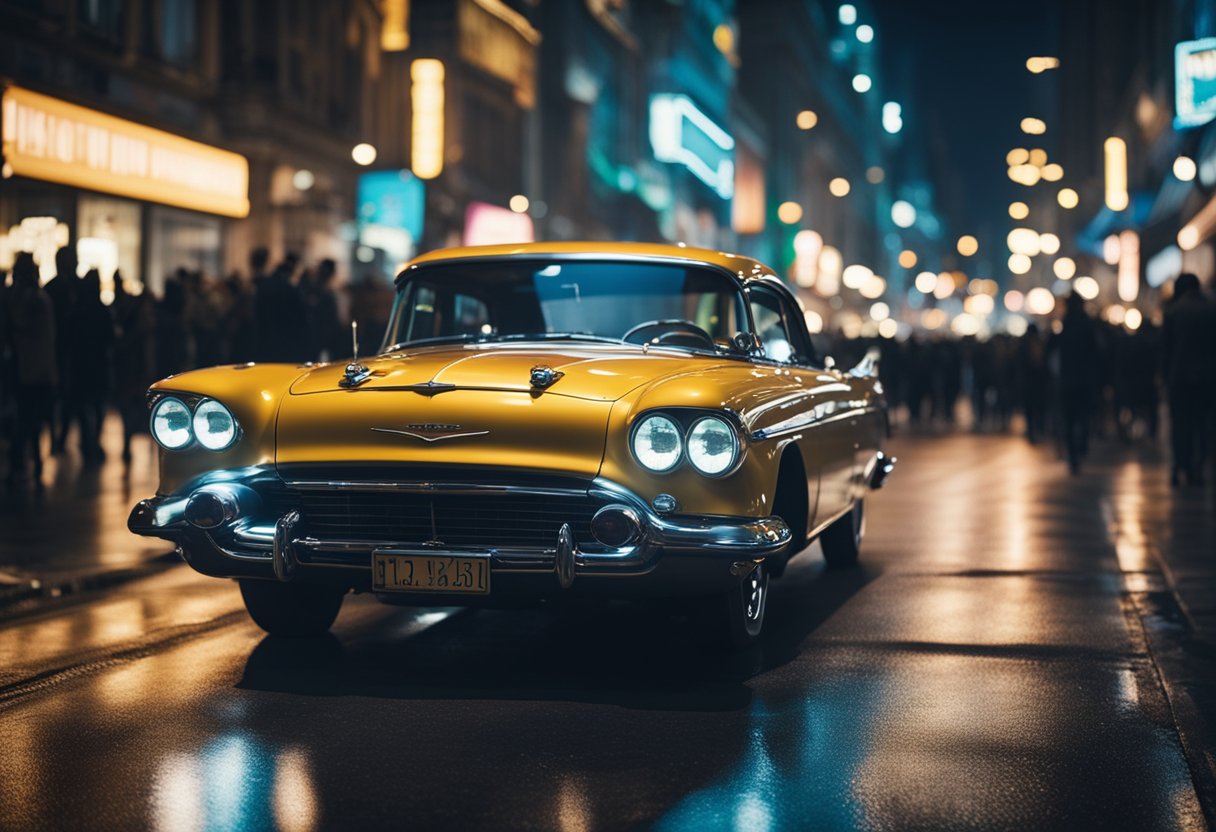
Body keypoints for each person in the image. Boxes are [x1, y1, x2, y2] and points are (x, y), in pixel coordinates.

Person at [4, 253, 57, 488]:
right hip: (37, 367)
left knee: (26, 418)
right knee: (31, 418)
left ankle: (25, 463)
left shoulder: (23, 299)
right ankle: (33, 463)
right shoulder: (38, 298)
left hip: (25, 366)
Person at [1162, 272, 1216, 486]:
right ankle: (1197, 466)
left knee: (1180, 424)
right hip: (1206, 378)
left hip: (1179, 377)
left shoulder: (1173, 311)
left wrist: (1165, 377)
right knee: (1202, 424)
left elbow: (1165, 350)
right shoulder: (1210, 310)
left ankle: (1180, 464)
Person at [1050, 291, 1102, 474]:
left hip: (1067, 379)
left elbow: (1052, 348)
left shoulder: (1064, 324)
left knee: (1069, 419)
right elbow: (1096, 351)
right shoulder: (1087, 323)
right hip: (1085, 379)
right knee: (1083, 416)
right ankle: (1081, 447)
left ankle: (1073, 455)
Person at [66, 269, 115, 465]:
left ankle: (88, 441)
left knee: (83, 405)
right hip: (98, 363)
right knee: (97, 404)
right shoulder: (102, 310)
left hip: (81, 364)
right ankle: (93, 440)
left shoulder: (78, 311)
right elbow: (110, 338)